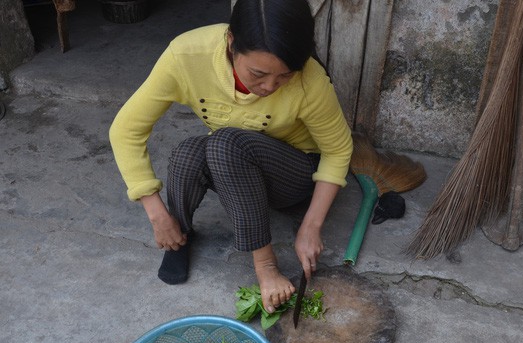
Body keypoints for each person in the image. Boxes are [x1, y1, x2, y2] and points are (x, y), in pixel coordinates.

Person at [109, 0, 353, 314]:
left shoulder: (311, 80)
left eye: (284, 77)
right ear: (231, 42)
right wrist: (157, 214)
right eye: (259, 74)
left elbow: (337, 150)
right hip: (236, 161)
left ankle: (266, 267)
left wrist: (311, 226)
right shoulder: (187, 56)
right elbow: (125, 130)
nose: (269, 86)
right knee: (187, 154)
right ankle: (177, 235)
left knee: (225, 143)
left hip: (294, 174)